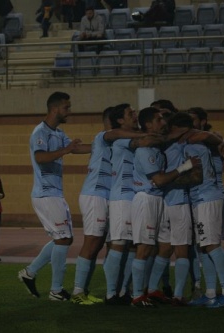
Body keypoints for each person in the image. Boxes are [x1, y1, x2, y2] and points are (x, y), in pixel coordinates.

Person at [70, 106, 150, 305]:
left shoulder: (116, 141)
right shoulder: (104, 135)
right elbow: (117, 133)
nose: (133, 116)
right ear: (114, 120)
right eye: (129, 114)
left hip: (109, 196)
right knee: (92, 242)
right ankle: (78, 291)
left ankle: (111, 290)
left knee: (111, 244)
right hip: (95, 194)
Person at [18, 91, 91, 301]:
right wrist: (66, 150)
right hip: (45, 194)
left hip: (54, 193)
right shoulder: (40, 132)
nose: (69, 110)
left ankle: (29, 273)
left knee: (63, 238)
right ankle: (56, 290)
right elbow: (40, 157)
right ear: (55, 109)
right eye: (66, 107)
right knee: (64, 238)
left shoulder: (59, 133)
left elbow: (75, 148)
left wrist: (103, 146)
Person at [130, 106, 201, 307]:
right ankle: (137, 296)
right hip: (146, 199)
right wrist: (185, 167)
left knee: (167, 245)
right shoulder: (145, 150)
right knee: (143, 248)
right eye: (159, 120)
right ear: (147, 124)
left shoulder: (156, 146)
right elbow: (160, 180)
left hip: (159, 200)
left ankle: (152, 289)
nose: (163, 123)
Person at [167, 112, 224, 308]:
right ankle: (210, 292)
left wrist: (165, 180)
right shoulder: (194, 142)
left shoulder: (193, 145)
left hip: (207, 198)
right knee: (203, 247)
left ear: (177, 129)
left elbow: (196, 176)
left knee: (212, 245)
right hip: (200, 199)